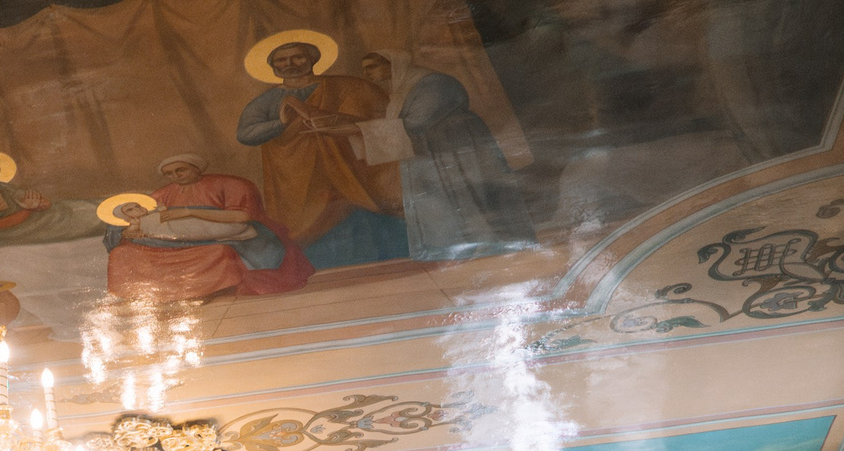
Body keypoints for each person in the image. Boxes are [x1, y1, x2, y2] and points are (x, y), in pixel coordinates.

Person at [335, 51, 533, 260]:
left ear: (393, 63)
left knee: (468, 192)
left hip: (456, 145)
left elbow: (415, 123)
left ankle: (489, 241)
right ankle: (456, 247)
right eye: (365, 68)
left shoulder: (431, 83)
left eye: (372, 66)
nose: (367, 73)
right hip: (430, 149)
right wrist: (355, 129)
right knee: (440, 199)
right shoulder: (402, 89)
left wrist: (356, 129)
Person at [235, 39, 407, 268]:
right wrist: (281, 122)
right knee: (308, 228)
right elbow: (246, 133)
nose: (289, 64)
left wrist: (324, 117)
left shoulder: (346, 87)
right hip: (294, 176)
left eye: (297, 57)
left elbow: (382, 115)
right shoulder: (266, 100)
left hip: (346, 166)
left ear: (313, 59)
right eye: (281, 60)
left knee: (356, 213)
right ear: (272, 66)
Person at [104, 154, 311, 300]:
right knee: (121, 254)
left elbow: (242, 217)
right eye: (169, 174)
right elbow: (140, 218)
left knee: (218, 251)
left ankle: (204, 291)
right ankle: (153, 294)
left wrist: (190, 212)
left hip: (218, 237)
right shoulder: (162, 193)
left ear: (196, 168)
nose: (175, 177)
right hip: (172, 243)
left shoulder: (231, 184)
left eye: (180, 170)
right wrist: (129, 231)